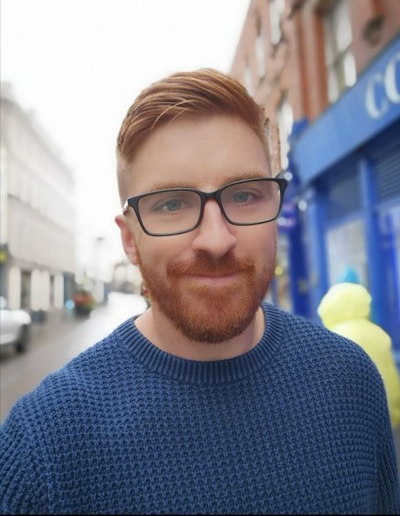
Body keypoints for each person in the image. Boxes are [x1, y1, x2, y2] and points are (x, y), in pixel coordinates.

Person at [1, 69, 399, 514]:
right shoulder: (43, 446)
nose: (216, 239)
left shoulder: (352, 382)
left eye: (246, 195)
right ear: (130, 239)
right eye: (171, 203)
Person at [317, 281, 400, 429]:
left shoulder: (331, 338)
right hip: (385, 414)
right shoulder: (379, 334)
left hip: (353, 420)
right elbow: (391, 378)